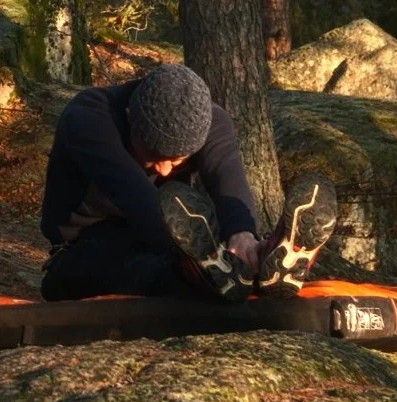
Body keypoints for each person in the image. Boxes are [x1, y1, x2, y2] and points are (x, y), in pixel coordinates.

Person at [38, 62, 338, 303]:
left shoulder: (210, 120)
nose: (165, 170)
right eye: (154, 157)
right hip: (85, 249)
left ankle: (261, 262)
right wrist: (196, 258)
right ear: (130, 119)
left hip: (175, 238)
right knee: (143, 271)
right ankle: (202, 274)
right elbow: (141, 204)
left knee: (218, 254)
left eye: (178, 160)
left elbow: (229, 182)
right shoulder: (89, 119)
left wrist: (243, 240)